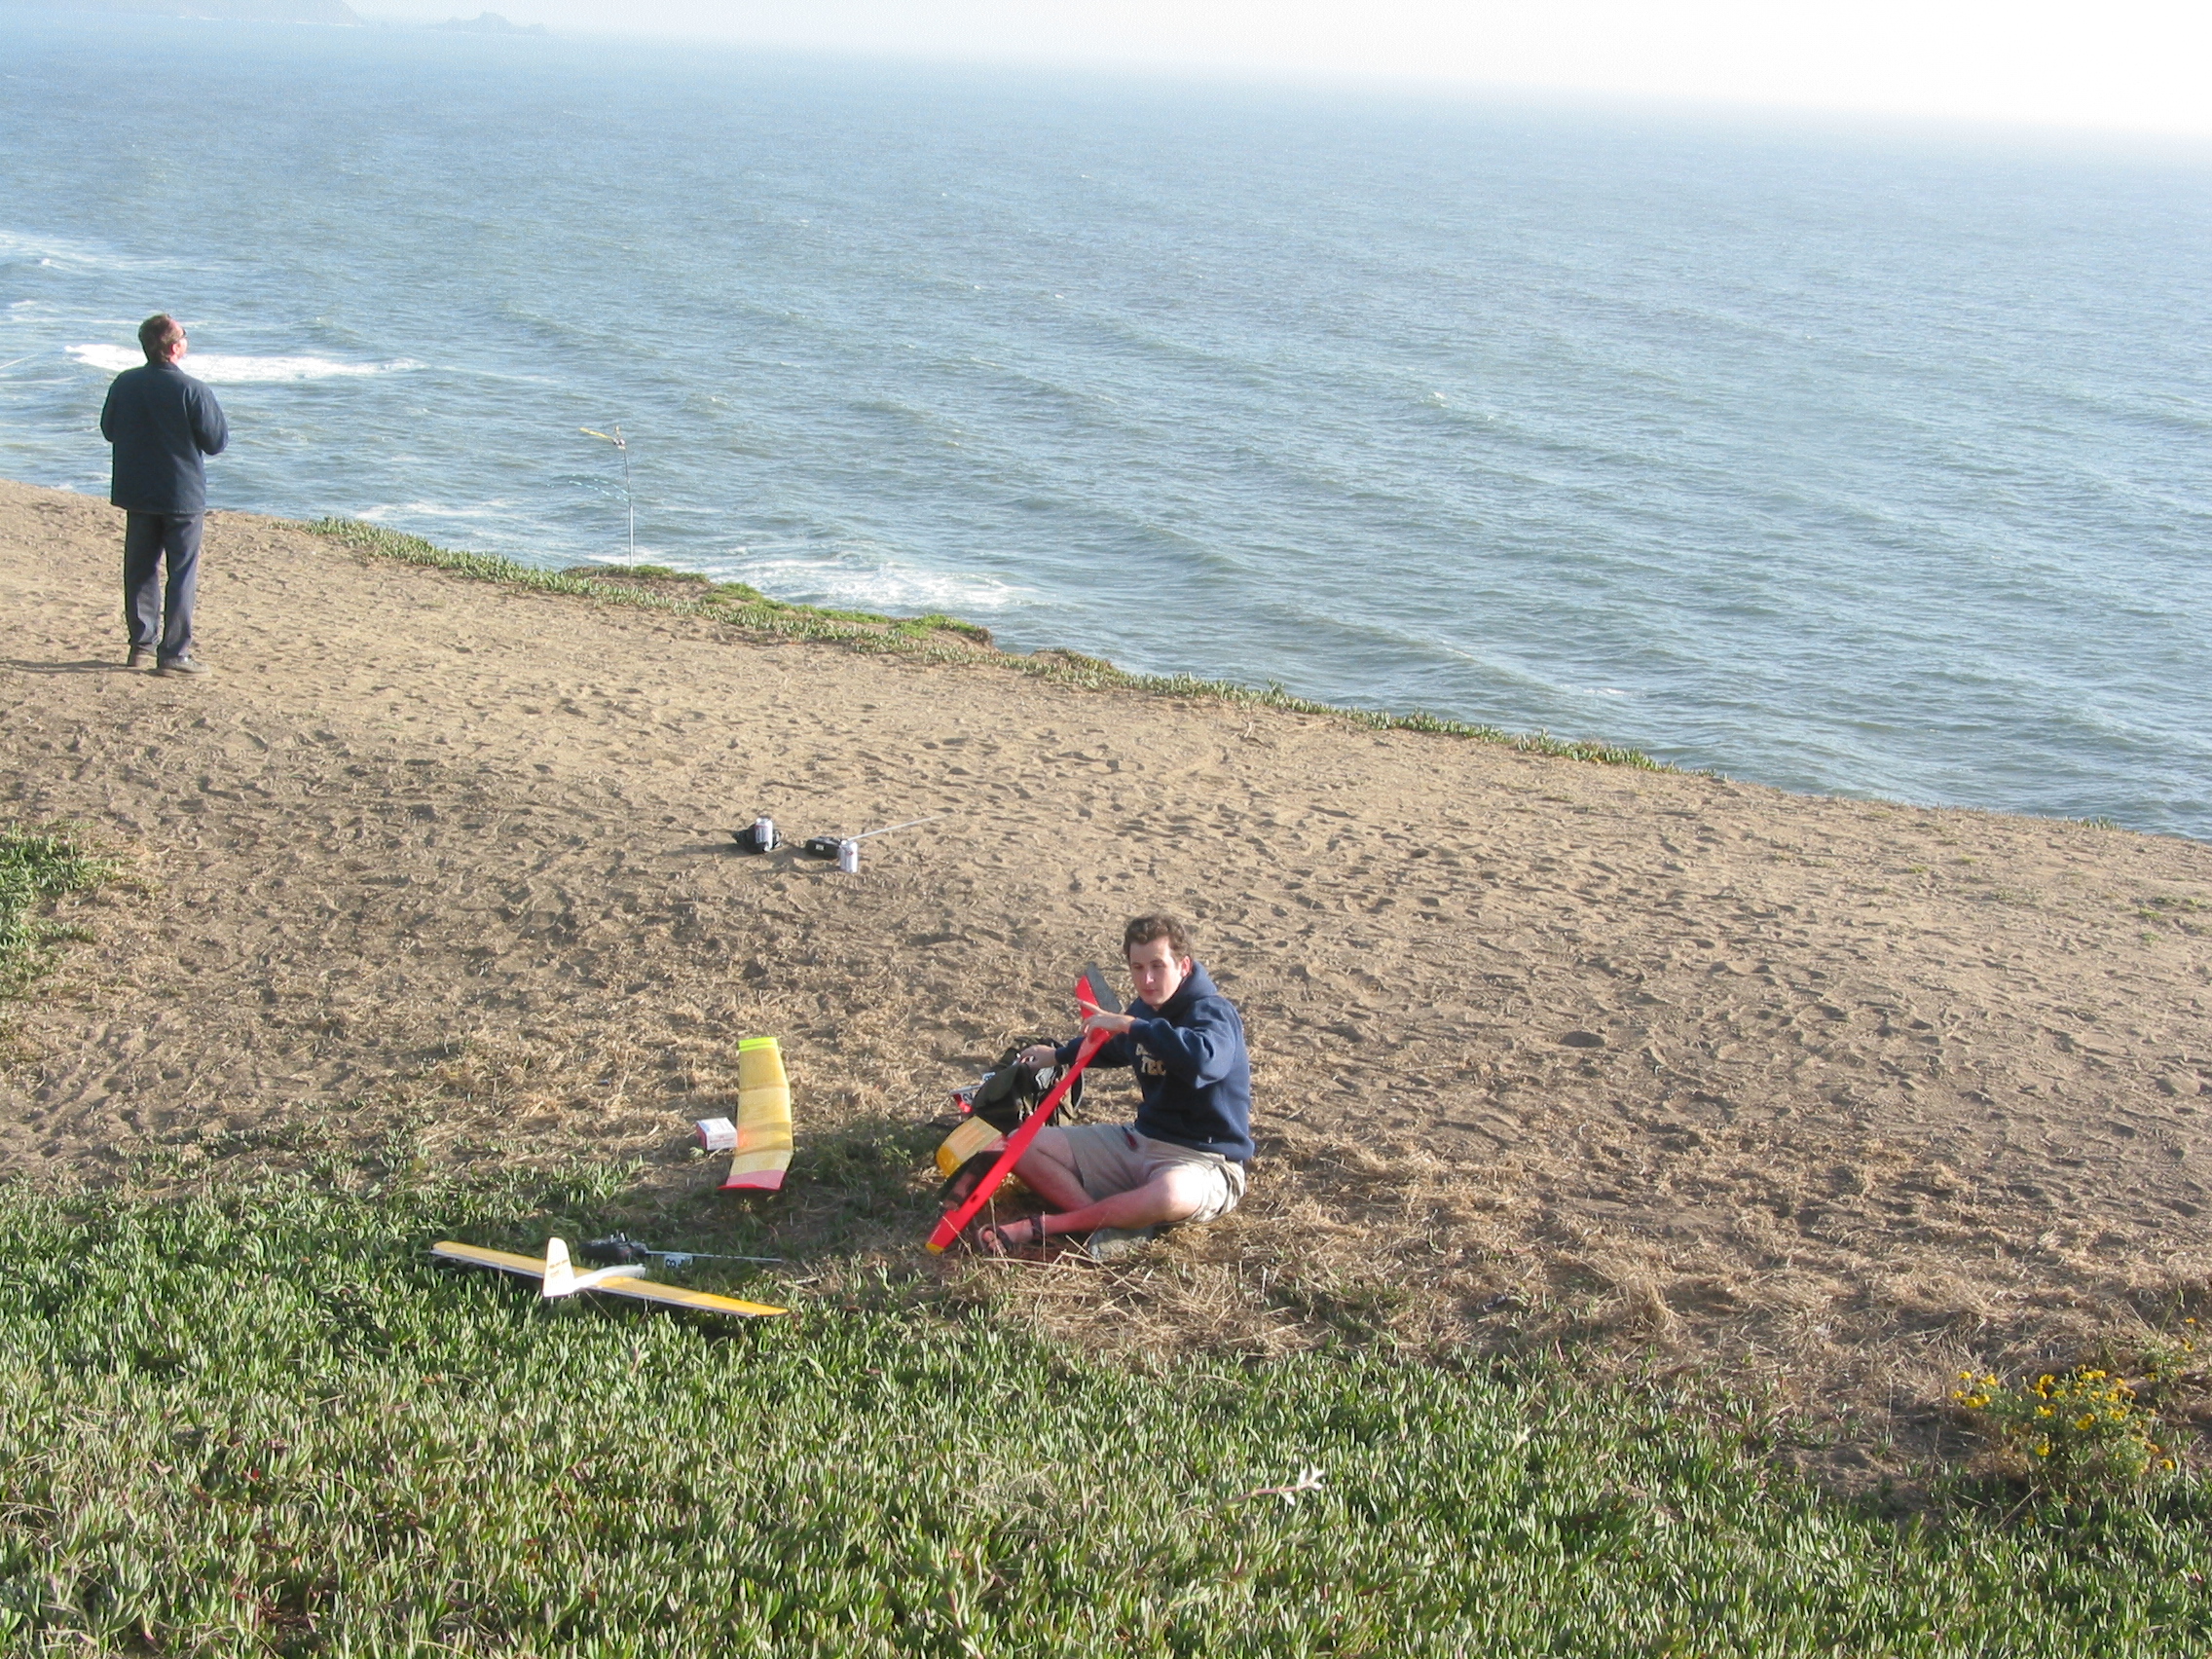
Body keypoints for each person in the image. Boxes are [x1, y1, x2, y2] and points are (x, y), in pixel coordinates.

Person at [977, 913, 1253, 1258]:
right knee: (1019, 1144)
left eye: (1157, 965)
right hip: (1141, 1140)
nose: (1147, 979)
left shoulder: (1213, 1012)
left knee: (1168, 1194)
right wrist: (1057, 1056)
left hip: (1204, 1159)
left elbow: (1204, 1062)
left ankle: (1047, 1226)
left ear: (1183, 966)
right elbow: (1115, 1048)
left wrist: (1132, 1025)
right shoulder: (1146, 1010)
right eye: (1137, 968)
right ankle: (1108, 1224)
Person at [100, 313, 228, 677]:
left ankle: (141, 646)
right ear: (175, 347)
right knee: (181, 574)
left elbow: (109, 430)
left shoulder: (124, 383)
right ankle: (173, 653)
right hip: (181, 494)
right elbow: (216, 442)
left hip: (138, 489)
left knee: (140, 570)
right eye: (184, 336)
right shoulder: (193, 389)